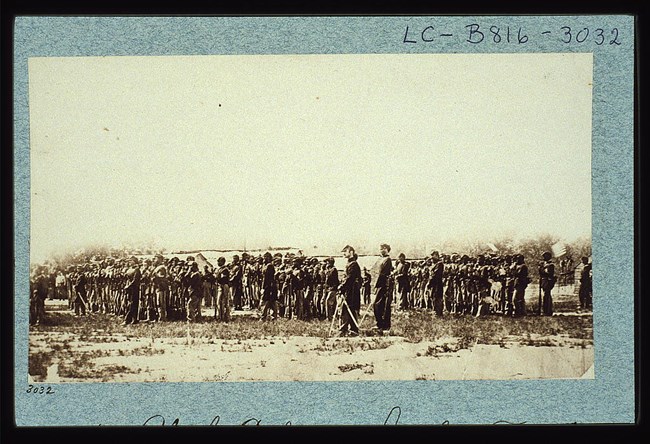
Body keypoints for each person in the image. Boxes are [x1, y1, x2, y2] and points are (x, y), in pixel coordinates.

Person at [338, 245, 362, 336]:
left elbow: (350, 278)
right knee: (350, 309)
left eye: (345, 251)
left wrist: (342, 287)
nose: (344, 253)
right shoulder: (350, 263)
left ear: (351, 252)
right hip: (350, 289)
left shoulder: (353, 264)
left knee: (347, 308)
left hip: (352, 290)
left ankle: (344, 330)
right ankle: (352, 330)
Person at [374, 243, 393, 332]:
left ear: (386, 249)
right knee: (378, 305)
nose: (381, 250)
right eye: (380, 249)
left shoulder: (387, 260)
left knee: (381, 305)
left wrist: (376, 284)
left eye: (382, 249)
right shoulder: (380, 259)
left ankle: (384, 325)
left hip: (384, 285)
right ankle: (380, 324)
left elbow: (383, 274)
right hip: (379, 284)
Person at [123, 257, 142, 325]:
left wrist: (128, 286)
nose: (129, 262)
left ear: (134, 261)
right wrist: (126, 286)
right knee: (130, 303)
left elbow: (135, 280)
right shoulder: (129, 269)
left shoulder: (137, 270)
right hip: (129, 288)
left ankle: (127, 319)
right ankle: (134, 319)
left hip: (134, 288)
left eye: (131, 261)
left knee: (133, 304)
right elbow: (127, 279)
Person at [260, 252, 278, 321]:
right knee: (270, 302)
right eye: (264, 257)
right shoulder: (265, 265)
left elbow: (267, 278)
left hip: (269, 286)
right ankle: (272, 317)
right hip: (268, 286)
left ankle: (264, 317)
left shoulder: (269, 266)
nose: (265, 258)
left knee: (267, 302)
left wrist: (264, 288)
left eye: (266, 257)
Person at [152, 255, 169, 322]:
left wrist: (155, 276)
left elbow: (162, 277)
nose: (155, 260)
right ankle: (159, 317)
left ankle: (162, 317)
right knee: (157, 303)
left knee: (161, 303)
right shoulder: (156, 267)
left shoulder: (161, 267)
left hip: (161, 287)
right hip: (157, 287)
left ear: (160, 259)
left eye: (156, 259)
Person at [428, 251, 445, 317]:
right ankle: (435, 311)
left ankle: (438, 313)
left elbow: (435, 275)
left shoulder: (439, 264)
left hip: (437, 284)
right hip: (433, 284)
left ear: (437, 256)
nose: (432, 257)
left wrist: (430, 282)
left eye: (433, 255)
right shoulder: (434, 264)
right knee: (433, 297)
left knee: (437, 297)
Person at [539, 251, 556, 316]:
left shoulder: (550, 265)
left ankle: (548, 311)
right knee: (545, 295)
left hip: (548, 281)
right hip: (543, 280)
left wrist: (542, 270)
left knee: (547, 295)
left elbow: (549, 273)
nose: (543, 257)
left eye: (545, 256)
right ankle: (545, 310)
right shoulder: (543, 264)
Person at [215, 257, 231, 322]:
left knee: (223, 302)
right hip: (220, 286)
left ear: (222, 262)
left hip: (223, 286)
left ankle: (225, 317)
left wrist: (216, 278)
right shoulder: (220, 269)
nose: (218, 263)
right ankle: (221, 316)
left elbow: (222, 279)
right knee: (219, 302)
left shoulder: (225, 270)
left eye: (219, 261)